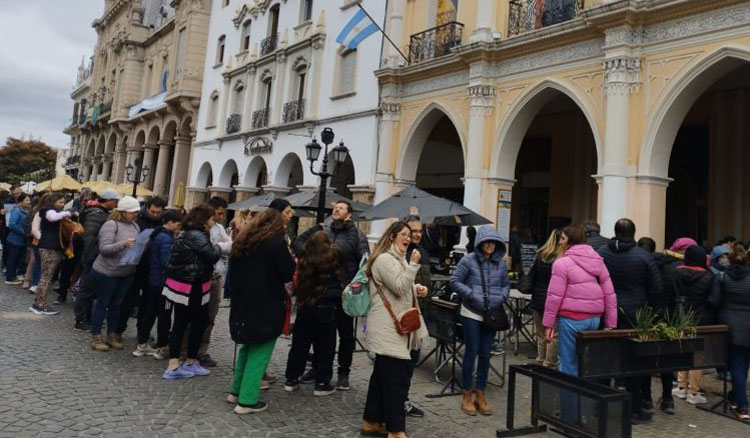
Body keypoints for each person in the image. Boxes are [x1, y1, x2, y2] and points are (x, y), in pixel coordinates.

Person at [543, 224, 617, 424]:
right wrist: (610, 323)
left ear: (570, 241)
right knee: (585, 368)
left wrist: (548, 324)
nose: (559, 241)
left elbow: (554, 297)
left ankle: (570, 416)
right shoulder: (597, 260)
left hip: (571, 318)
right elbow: (609, 293)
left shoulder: (562, 263)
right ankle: (582, 413)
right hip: (594, 319)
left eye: (563, 238)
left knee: (568, 367)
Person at [361, 222, 428, 438]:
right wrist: (414, 265)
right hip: (389, 329)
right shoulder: (383, 259)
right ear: (392, 236)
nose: (408, 238)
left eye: (410, 234)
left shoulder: (396, 259)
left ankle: (371, 422)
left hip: (393, 327)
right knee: (395, 383)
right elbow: (399, 287)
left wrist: (416, 287)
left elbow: (399, 284)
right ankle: (396, 430)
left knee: (382, 378)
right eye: (404, 234)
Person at [293, 200, 369, 390]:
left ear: (350, 215)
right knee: (321, 335)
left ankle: (344, 371)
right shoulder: (323, 232)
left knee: (345, 334)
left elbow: (364, 261)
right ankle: (318, 369)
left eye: (342, 208)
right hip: (321, 292)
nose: (336, 209)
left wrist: (355, 284)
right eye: (336, 207)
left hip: (344, 292)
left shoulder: (358, 235)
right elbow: (302, 245)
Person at [228, 208, 295, 413]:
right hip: (266, 303)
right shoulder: (275, 243)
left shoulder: (243, 241)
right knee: (260, 351)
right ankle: (247, 400)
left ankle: (236, 391)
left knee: (247, 347)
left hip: (243, 301)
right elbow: (287, 273)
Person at [598, 218, 661, 423]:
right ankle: (634, 409)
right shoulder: (643, 256)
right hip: (636, 315)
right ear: (634, 233)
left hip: (607, 312)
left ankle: (603, 405)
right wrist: (653, 314)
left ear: (615, 231)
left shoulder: (602, 253)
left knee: (605, 360)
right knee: (635, 363)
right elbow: (656, 289)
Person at [450, 226, 510, 416]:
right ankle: (466, 394)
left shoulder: (500, 263)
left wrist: (501, 297)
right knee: (471, 351)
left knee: (485, 353)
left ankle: (481, 394)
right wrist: (471, 294)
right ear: (481, 243)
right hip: (471, 312)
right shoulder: (468, 260)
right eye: (488, 241)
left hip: (491, 313)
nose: (491, 245)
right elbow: (454, 281)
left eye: (494, 242)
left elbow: (505, 285)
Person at [161, 204, 221, 379]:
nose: (213, 221)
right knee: (184, 323)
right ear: (204, 219)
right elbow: (212, 255)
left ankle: (190, 361)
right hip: (190, 284)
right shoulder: (197, 234)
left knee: (197, 322)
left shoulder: (188, 232)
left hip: (193, 282)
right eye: (211, 218)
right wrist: (220, 246)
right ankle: (173, 366)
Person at [284, 231, 345, 396]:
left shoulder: (304, 258)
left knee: (300, 344)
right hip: (327, 305)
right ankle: (322, 382)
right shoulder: (333, 257)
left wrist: (314, 229)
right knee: (326, 346)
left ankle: (291, 378)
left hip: (306, 304)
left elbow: (298, 240)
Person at [646, 236, 697, 415]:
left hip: (647, 320)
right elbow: (681, 297)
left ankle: (646, 399)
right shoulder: (674, 272)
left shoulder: (647, 271)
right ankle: (668, 399)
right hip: (669, 321)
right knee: (667, 363)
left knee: (645, 360)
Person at [88, 196, 141, 351]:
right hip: (107, 271)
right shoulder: (111, 225)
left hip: (126, 271)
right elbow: (104, 249)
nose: (134, 215)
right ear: (123, 211)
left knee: (117, 304)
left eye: (136, 212)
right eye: (132, 212)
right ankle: (96, 336)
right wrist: (123, 244)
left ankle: (111, 334)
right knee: (103, 303)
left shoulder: (135, 226)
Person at [133, 208, 184, 358]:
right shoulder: (166, 239)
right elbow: (166, 261)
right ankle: (162, 347)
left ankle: (141, 345)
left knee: (150, 313)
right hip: (162, 282)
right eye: (177, 224)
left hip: (153, 281)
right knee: (164, 316)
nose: (178, 227)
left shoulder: (157, 234)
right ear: (170, 223)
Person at [708, 246, 750, 420]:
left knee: (737, 365)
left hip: (729, 324)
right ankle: (735, 397)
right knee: (744, 364)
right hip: (748, 324)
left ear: (729, 260)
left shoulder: (722, 277)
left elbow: (714, 300)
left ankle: (743, 406)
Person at [190, 196, 232, 368]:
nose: (221, 216)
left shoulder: (220, 227)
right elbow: (209, 251)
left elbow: (230, 246)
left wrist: (222, 246)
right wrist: (220, 246)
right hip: (199, 277)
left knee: (210, 316)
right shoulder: (198, 227)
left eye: (223, 213)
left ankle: (202, 350)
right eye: (218, 213)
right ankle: (187, 350)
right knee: (193, 316)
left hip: (216, 276)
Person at [670, 245, 715, 405]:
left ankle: (681, 387)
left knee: (682, 350)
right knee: (698, 356)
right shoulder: (709, 277)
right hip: (701, 319)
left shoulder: (674, 272)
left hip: (680, 318)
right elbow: (713, 300)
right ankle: (693, 391)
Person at [116, 197, 166, 341]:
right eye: (153, 211)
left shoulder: (162, 222)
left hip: (152, 267)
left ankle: (142, 331)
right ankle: (119, 330)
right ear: (147, 208)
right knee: (128, 300)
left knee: (147, 303)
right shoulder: (137, 218)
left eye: (158, 212)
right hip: (135, 265)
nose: (155, 215)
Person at [74, 189, 121, 331]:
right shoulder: (96, 213)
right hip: (91, 256)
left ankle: (88, 318)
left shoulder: (100, 212)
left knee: (90, 290)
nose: (116, 204)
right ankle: (81, 320)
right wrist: (90, 258)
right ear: (108, 201)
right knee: (86, 289)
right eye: (115, 201)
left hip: (94, 255)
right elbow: (89, 237)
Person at [521, 229, 563, 368]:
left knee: (540, 333)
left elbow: (532, 277)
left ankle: (540, 358)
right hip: (552, 300)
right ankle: (549, 362)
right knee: (553, 334)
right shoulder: (561, 259)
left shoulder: (541, 255)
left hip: (537, 299)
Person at [403, 215, 430, 418]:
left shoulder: (424, 253)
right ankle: (397, 400)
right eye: (413, 231)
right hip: (400, 316)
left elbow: (426, 282)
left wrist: (424, 290)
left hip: (417, 315)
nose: (417, 234)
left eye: (420, 230)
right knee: (400, 361)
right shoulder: (399, 254)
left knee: (411, 360)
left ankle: (403, 398)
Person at [30, 194, 73, 316]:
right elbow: (53, 218)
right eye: (60, 202)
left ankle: (38, 303)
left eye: (63, 202)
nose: (62, 204)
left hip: (52, 247)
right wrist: (68, 212)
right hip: (49, 248)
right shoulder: (48, 211)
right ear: (52, 202)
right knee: (46, 278)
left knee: (46, 277)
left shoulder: (50, 211)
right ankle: (40, 305)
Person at [5, 194, 30, 285]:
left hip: (21, 240)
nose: (29, 202)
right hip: (15, 240)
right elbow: (12, 225)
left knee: (18, 259)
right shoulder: (16, 211)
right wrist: (24, 232)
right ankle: (9, 278)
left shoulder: (26, 210)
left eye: (29, 200)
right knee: (12, 259)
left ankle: (13, 275)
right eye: (27, 200)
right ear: (21, 201)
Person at [22, 195, 45, 293]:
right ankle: (27, 280)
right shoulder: (36, 210)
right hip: (34, 239)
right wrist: (31, 234)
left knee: (35, 260)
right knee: (33, 260)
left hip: (37, 239)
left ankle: (33, 281)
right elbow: (27, 224)